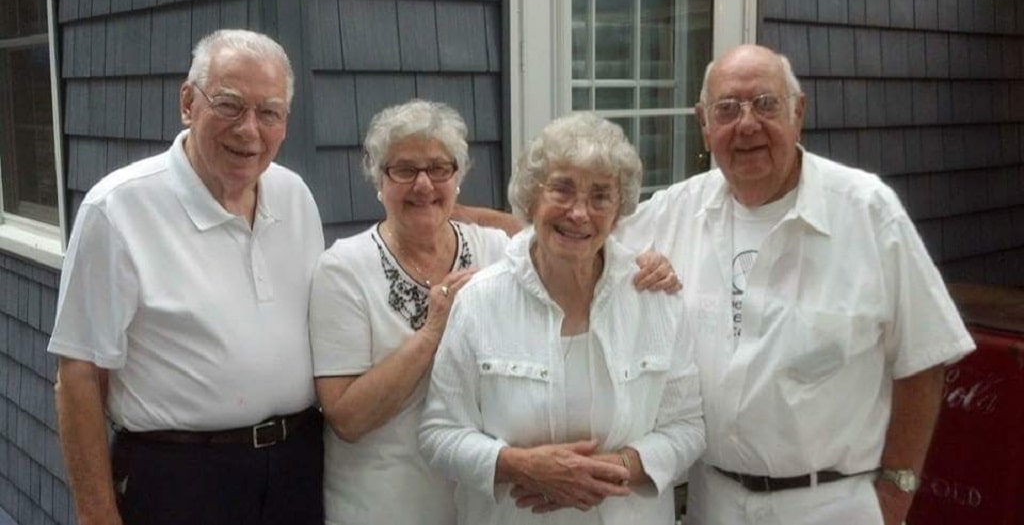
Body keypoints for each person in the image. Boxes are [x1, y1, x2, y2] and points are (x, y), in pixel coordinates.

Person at [613, 44, 976, 525]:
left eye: (766, 104)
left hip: (831, 503)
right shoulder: (676, 211)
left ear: (798, 112)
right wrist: (482, 246)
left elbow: (923, 360)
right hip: (712, 501)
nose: (746, 125)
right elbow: (574, 236)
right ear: (704, 124)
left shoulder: (867, 210)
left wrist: (896, 492)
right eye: (727, 109)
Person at [48, 29, 325, 525]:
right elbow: (79, 375)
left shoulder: (295, 196)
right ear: (187, 102)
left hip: (296, 467)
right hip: (180, 478)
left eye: (270, 112)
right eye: (229, 105)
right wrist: (96, 515)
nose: (249, 130)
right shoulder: (118, 210)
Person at [418, 112, 706, 525]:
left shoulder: (654, 299)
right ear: (532, 198)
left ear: (620, 208)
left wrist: (611, 471)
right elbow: (439, 433)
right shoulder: (481, 302)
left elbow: (687, 427)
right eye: (562, 189)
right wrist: (520, 466)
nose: (579, 212)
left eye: (600, 196)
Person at [309, 99, 509, 525]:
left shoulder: (495, 251)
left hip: (479, 502)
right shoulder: (344, 269)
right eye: (403, 169)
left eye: (440, 168)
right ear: (378, 180)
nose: (424, 184)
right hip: (383, 505)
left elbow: (564, 242)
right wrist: (432, 331)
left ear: (459, 177)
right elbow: (347, 417)